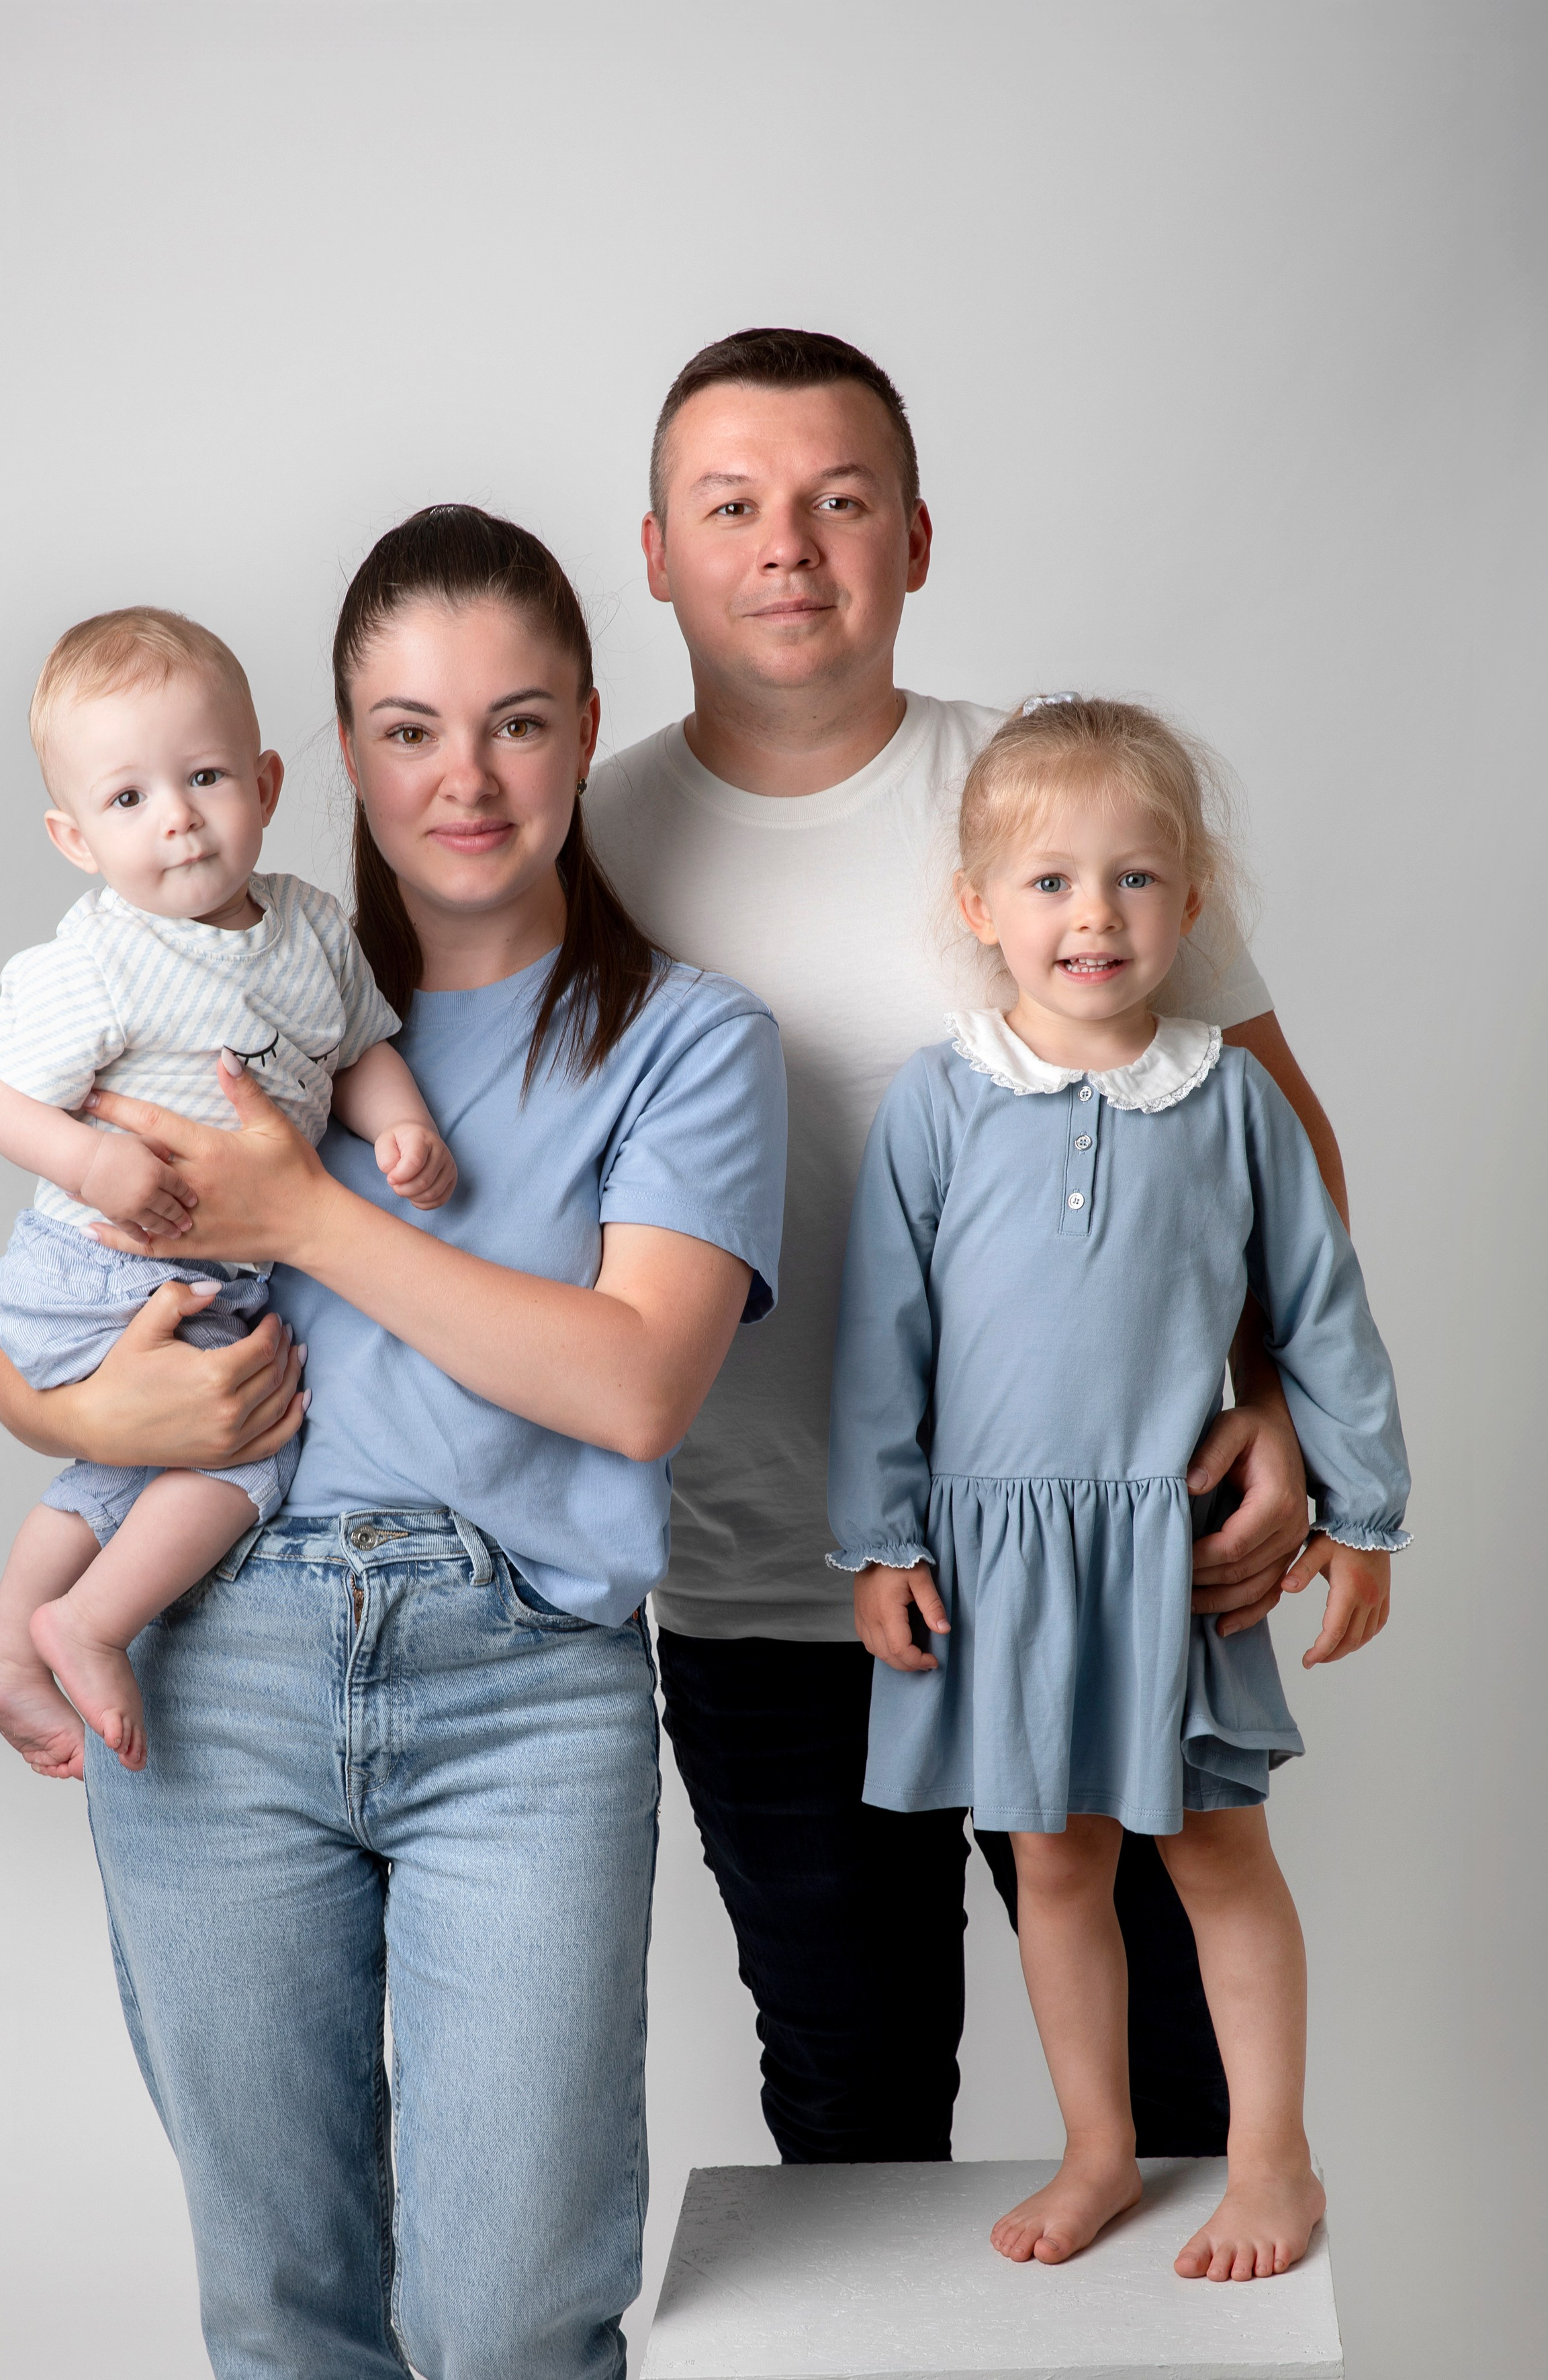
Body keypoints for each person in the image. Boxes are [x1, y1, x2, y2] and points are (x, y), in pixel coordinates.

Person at [0, 507, 787, 2380]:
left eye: (517, 721)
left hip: (524, 1686)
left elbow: (634, 1387)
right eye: (410, 728)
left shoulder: (685, 1040)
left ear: (588, 729)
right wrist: (86, 1409)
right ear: (338, 754)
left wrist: (313, 1215)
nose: (468, 775)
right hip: (212, 1655)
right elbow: (44, 1342)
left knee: (507, 2318)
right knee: (288, 2307)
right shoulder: (204, 988)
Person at [584, 327, 1383, 2163]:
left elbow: (1274, 1135)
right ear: (656, 551)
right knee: (857, 2109)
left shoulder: (1044, 801)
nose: (790, 545)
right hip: (766, 1591)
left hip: (1109, 1555)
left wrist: (1273, 1401)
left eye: (839, 501)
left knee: (1190, 2088)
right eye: (735, 506)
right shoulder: (584, 846)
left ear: (917, 539)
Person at [829, 696, 1409, 2280]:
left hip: (1167, 1550)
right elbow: (882, 1339)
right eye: (1049, 882)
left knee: (1216, 1853)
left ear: (1189, 903)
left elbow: (1318, 1309)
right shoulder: (937, 1103)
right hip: (996, 1557)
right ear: (977, 907)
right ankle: (1097, 2147)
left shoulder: (1227, 1100)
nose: (1092, 915)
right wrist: (880, 1537)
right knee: (1055, 1860)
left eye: (1134, 880)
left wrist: (1357, 1514)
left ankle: (1270, 2156)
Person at [0, 608, 453, 1777]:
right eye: (127, 799)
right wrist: (89, 1162)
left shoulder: (315, 929)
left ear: (267, 783)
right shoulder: (97, 957)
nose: (176, 814)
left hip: (199, 1276)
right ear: (73, 837)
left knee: (132, 1466)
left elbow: (358, 1051)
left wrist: (404, 1125)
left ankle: (8, 1645)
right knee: (245, 1460)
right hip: (98, 1263)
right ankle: (81, 1624)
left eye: (207, 775)